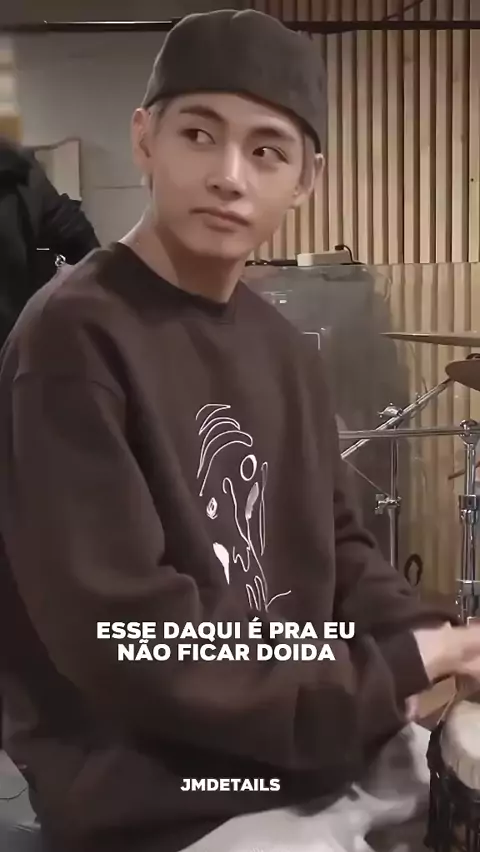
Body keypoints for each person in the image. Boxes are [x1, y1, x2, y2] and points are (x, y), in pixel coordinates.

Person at [0, 9, 480, 852]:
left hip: (295, 742)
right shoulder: (72, 339)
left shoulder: (279, 345)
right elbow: (133, 641)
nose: (229, 175)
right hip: (161, 787)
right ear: (145, 140)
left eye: (266, 150)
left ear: (305, 180)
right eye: (199, 134)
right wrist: (400, 670)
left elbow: (338, 546)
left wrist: (431, 635)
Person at [0, 135, 99, 344]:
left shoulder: (20, 172)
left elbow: (78, 240)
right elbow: (81, 243)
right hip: (21, 341)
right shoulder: (21, 170)